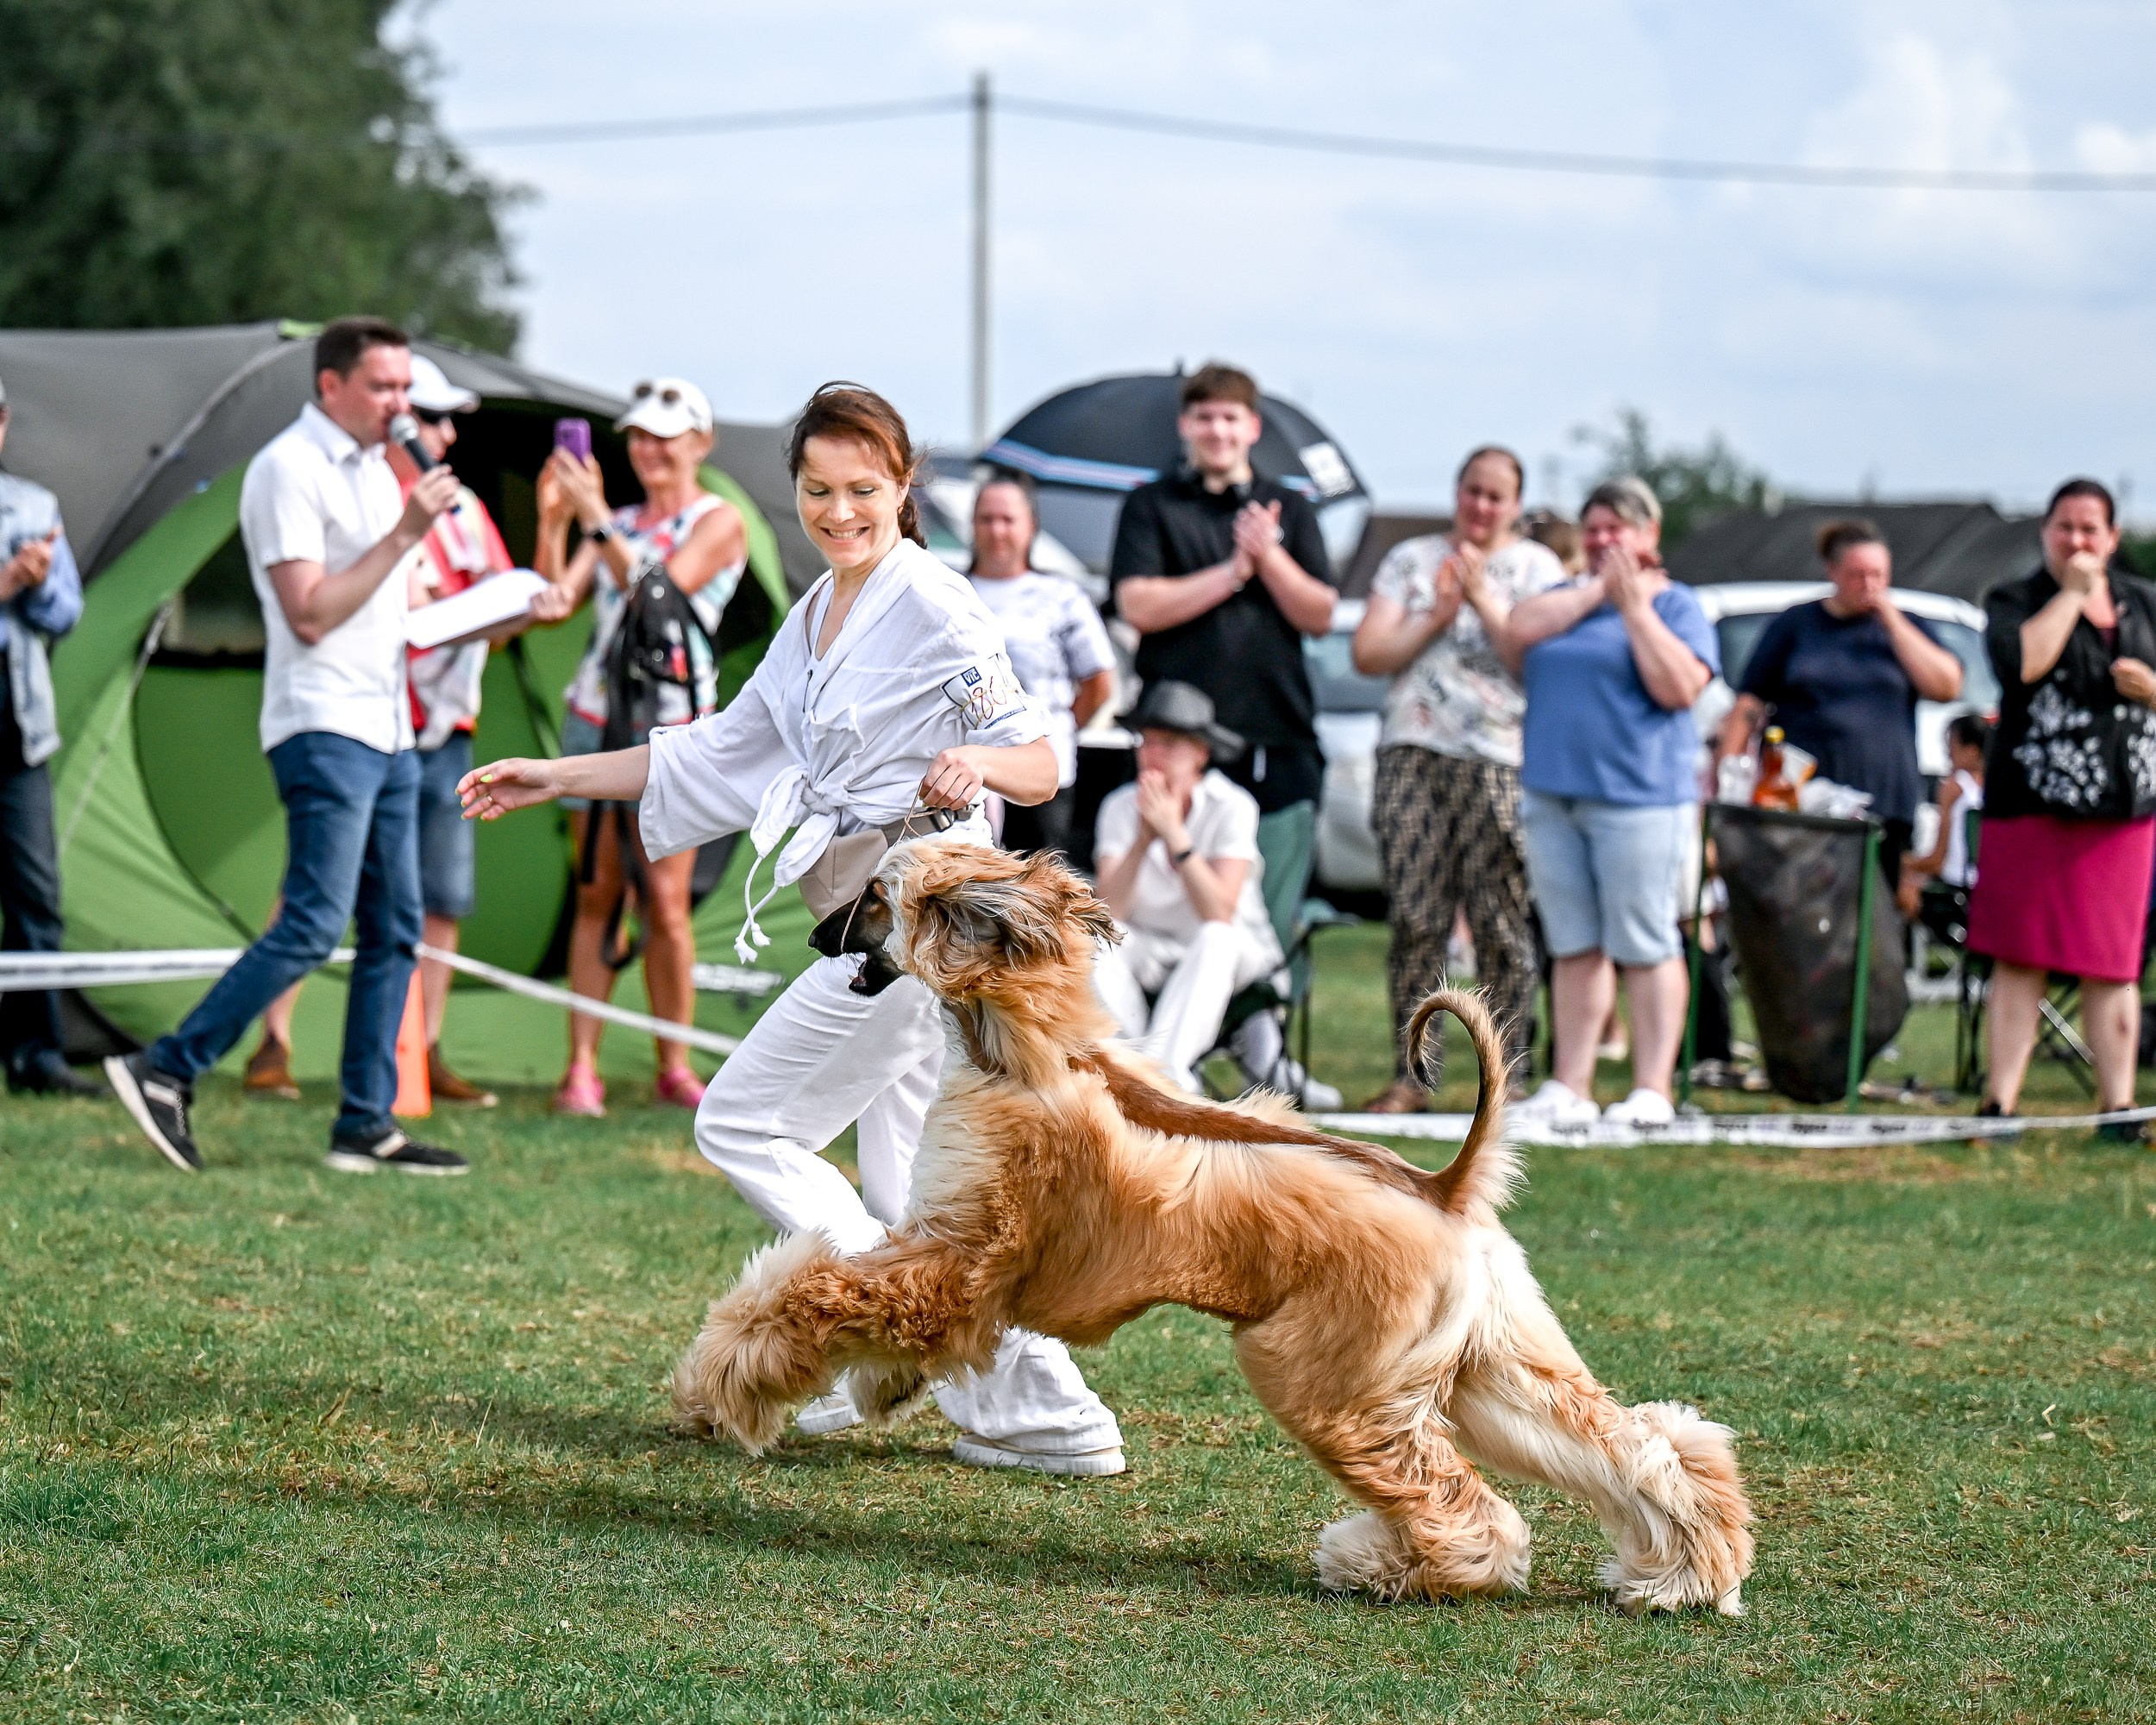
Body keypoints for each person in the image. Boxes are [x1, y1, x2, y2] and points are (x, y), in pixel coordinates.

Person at [460, 382, 1125, 1476]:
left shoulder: (936, 600)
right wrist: (555, 777)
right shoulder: (816, 610)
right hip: (867, 918)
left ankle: (919, 1329)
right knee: (910, 1192)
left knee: (742, 1120)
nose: (839, 510)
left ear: (903, 487)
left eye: (863, 489)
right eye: (818, 489)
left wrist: (977, 762)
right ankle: (1036, 1410)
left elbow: (1039, 756)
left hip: (911, 930)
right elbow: (716, 752)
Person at [105, 317, 467, 1175]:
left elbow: (385, 603)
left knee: (396, 927)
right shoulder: (285, 469)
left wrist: (487, 608)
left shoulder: (383, 473)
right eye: (382, 387)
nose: (399, 405)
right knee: (311, 922)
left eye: (405, 388)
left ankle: (364, 1122)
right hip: (322, 724)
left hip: (387, 723)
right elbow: (309, 609)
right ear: (331, 384)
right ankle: (166, 1065)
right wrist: (405, 535)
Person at [241, 354, 514, 1107]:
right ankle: (257, 1046)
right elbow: (319, 609)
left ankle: (407, 1067)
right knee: (314, 899)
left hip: (439, 726)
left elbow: (502, 604)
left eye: (438, 415)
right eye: (425, 414)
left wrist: (547, 552)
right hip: (350, 722)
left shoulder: (459, 508)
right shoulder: (351, 489)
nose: (442, 432)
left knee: (428, 903)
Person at [528, 376, 749, 1115]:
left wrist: (593, 518)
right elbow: (552, 603)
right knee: (597, 890)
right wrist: (555, 522)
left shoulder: (720, 522)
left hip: (675, 727)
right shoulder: (613, 521)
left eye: (664, 435)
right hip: (595, 714)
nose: (648, 449)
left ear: (700, 443)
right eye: (638, 435)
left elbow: (660, 598)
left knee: (666, 899)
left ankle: (673, 1064)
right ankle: (580, 1068)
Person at [1350, 446, 1564, 1112]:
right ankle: (1414, 1076)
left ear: (1517, 506)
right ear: (1457, 491)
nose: (1481, 506)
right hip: (1413, 749)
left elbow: (1537, 665)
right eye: (1472, 491)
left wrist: (1484, 602)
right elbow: (1367, 652)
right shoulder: (1411, 559)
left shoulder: (1538, 569)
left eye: (1496, 497)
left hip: (1499, 756)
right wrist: (1437, 615)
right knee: (1418, 918)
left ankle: (1505, 1075)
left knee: (1502, 920)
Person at [1501, 477, 1720, 1128]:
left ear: (1648, 536)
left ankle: (1652, 1086)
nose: (1602, 540)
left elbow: (1681, 687)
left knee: (1646, 940)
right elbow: (1516, 636)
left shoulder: (1677, 605)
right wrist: (1598, 589)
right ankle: (1571, 1082)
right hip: (1552, 791)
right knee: (1574, 944)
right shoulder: (1564, 597)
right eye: (1593, 528)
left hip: (1640, 798)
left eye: (1616, 529)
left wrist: (1634, 608)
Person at [1966, 479, 2156, 1136]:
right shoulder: (2015, 599)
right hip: (2033, 804)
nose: (2077, 541)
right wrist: (2073, 596)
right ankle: (2000, 1105)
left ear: (2111, 538)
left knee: (2113, 962)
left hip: (2123, 813)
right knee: (2021, 956)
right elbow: (2022, 666)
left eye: (2090, 529)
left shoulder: (2144, 606)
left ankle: (2119, 1107)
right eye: (2064, 527)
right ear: (2045, 532)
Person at [1109, 361, 1338, 825]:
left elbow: (1321, 615)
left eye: (1230, 418)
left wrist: (1268, 558)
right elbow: (1137, 605)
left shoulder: (1287, 506)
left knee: (1276, 892)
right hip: (1177, 738)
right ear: (1185, 425)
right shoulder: (1151, 504)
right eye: (1205, 417)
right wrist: (1233, 573)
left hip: (1277, 737)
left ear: (1252, 427)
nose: (1218, 431)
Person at [1716, 518, 1963, 892]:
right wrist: (1727, 785)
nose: (1869, 585)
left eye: (1878, 575)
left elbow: (1947, 686)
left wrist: (1892, 621)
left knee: (1875, 919)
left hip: (1887, 806)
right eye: (1857, 575)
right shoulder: (1796, 625)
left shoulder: (1905, 628)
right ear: (1832, 572)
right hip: (1805, 806)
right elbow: (1748, 705)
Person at [1090, 682, 1285, 1096]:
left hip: (1227, 949)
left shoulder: (1232, 806)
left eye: (1170, 744)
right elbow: (1109, 912)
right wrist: (1143, 841)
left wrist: (1176, 837)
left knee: (1217, 939)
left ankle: (1170, 1074)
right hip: (1147, 944)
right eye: (1147, 742)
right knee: (1092, 940)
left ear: (1201, 754)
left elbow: (1218, 911)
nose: (1153, 755)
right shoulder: (1118, 807)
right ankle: (1138, 1070)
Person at [0, 371, 97, 1095]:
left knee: (37, 900)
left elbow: (66, 614)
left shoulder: (34, 507)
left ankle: (38, 1056)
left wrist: (36, 585)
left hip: (19, 734)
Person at [966, 471, 1114, 858]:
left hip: (1044, 775)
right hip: (970, 773)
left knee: (1039, 893)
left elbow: (1099, 680)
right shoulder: (952, 592)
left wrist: (1057, 730)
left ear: (1031, 526)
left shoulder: (1061, 596)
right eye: (987, 519)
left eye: (1008, 519)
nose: (997, 530)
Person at [1898, 712, 1988, 923]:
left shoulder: (1954, 787)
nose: (1947, 755)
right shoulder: (1991, 787)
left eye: (1951, 747)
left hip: (1957, 890)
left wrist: (1904, 862)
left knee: (1901, 879)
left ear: (1971, 751)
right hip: (1984, 889)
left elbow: (1938, 860)